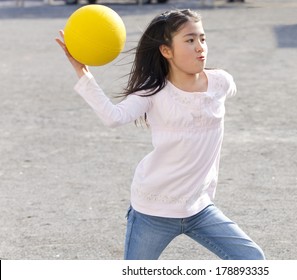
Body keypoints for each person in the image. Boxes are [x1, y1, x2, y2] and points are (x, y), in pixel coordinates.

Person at [56, 9, 265, 260]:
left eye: (202, 38)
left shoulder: (221, 83)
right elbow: (114, 117)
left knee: (252, 260)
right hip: (153, 210)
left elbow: (223, 91)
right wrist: (82, 71)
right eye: (189, 40)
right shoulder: (153, 93)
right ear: (166, 51)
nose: (200, 47)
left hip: (198, 208)